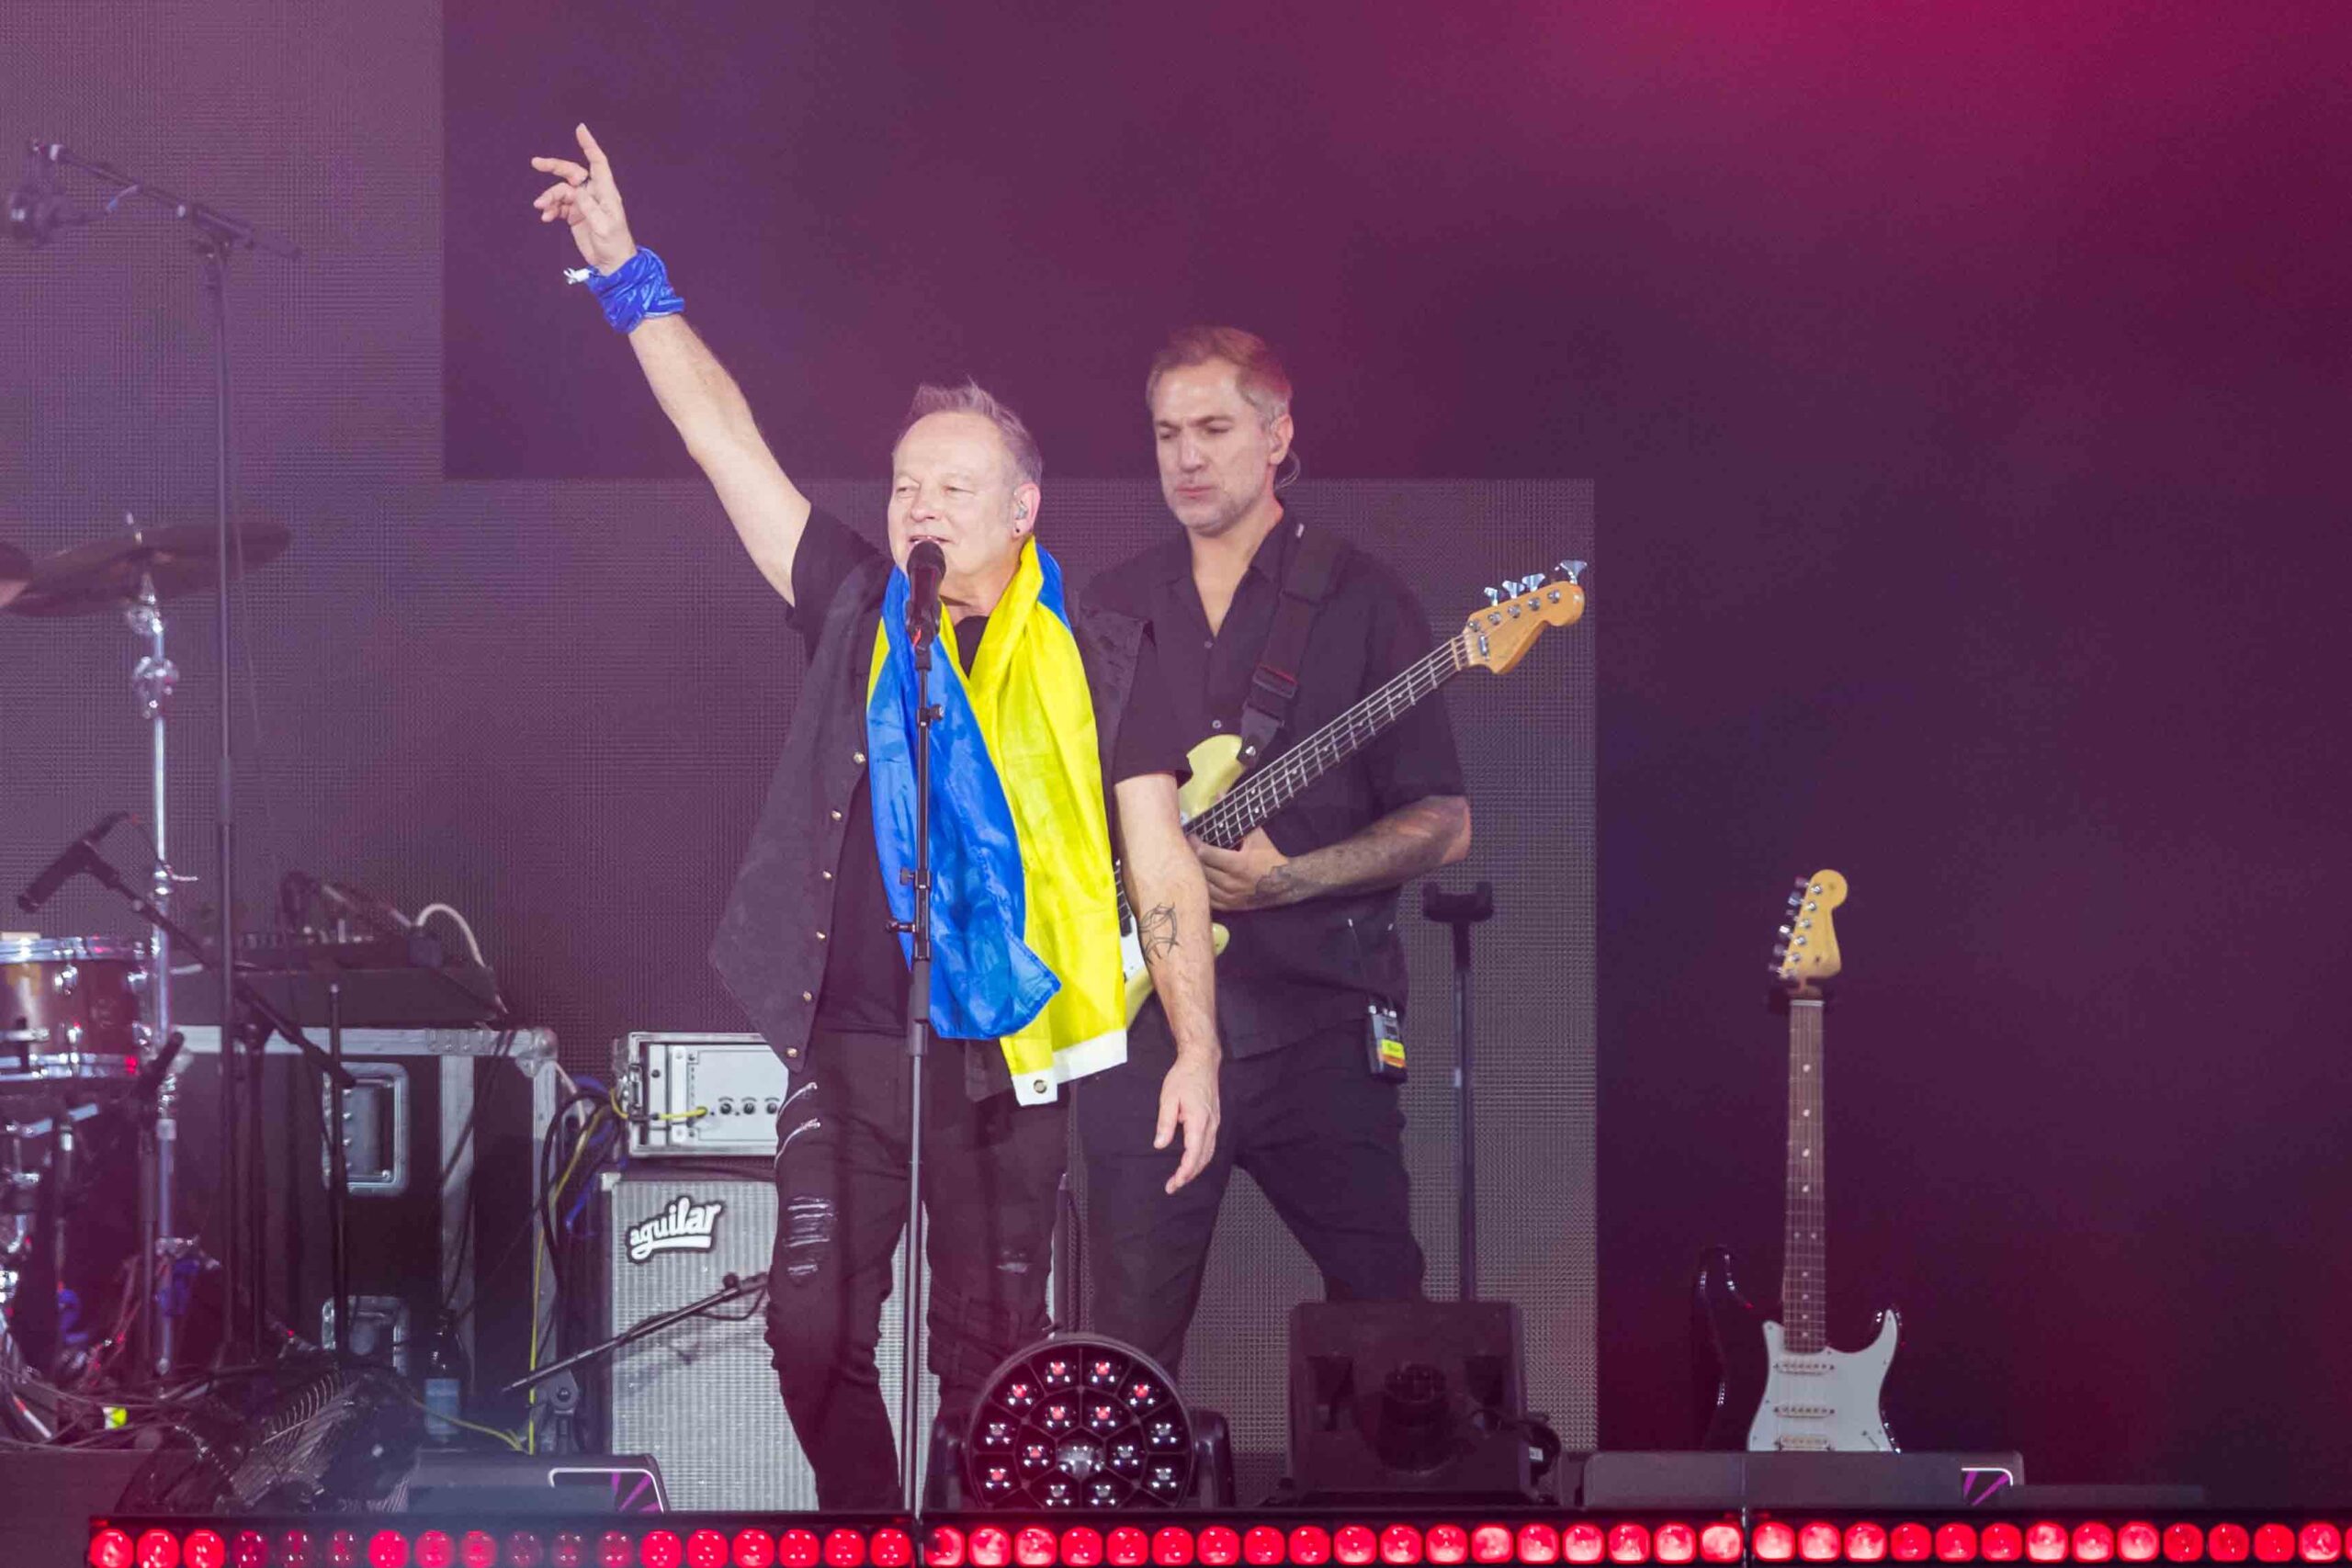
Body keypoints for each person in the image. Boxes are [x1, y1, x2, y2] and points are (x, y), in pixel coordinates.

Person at [528, 126, 1222, 1506]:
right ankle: (862, 1532)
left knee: (990, 1364)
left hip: (1006, 1059)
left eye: (954, 486)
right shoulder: (857, 606)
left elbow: (1161, 863)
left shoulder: (1109, 658)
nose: (920, 505)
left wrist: (1196, 1046)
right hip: (848, 1041)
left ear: (1021, 509)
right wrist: (627, 275)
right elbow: (724, 441)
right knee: (809, 1331)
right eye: (906, 482)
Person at [1079, 325, 1471, 1374]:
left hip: (1319, 1021)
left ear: (1277, 435)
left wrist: (1289, 878)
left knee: (1389, 1328)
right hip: (1147, 1026)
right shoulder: (1109, 608)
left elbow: (1445, 819)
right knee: (1126, 1338)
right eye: (1167, 433)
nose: (1186, 456)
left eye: (1213, 429)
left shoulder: (1363, 599)